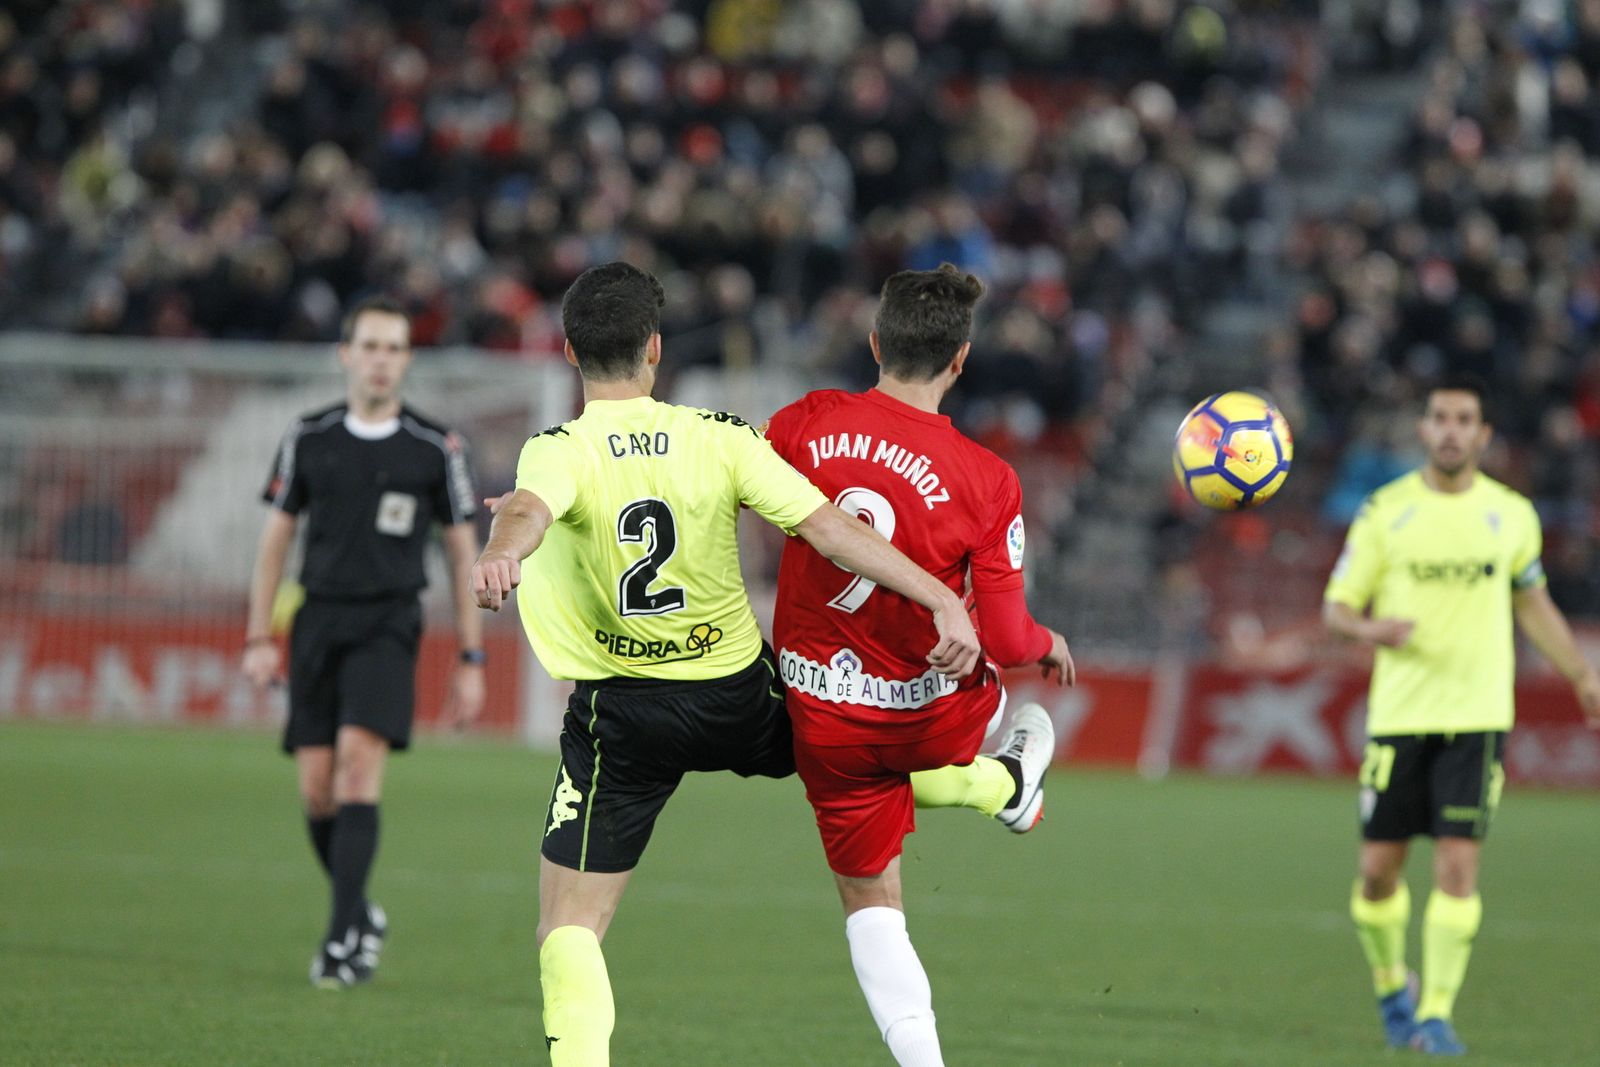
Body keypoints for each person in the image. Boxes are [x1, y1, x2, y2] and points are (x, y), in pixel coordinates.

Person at [468, 262, 981, 1067]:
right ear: (655, 348)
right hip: (738, 694)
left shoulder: (556, 450)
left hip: (624, 716)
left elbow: (529, 511)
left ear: (569, 352)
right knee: (853, 751)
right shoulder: (721, 435)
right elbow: (830, 530)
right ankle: (997, 784)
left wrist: (502, 550)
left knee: (568, 928)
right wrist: (941, 596)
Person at [763, 264, 1074, 1067]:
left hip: (821, 712)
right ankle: (1007, 780)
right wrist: (1048, 643)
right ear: (960, 360)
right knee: (980, 689)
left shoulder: (802, 423)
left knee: (873, 905)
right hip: (927, 714)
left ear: (875, 342)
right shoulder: (988, 478)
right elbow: (1008, 637)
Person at [1323, 374, 1600, 1055]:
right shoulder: (1385, 511)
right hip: (1399, 715)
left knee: (1456, 866)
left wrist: (1580, 672)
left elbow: (1532, 601)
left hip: (1478, 715)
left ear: (1483, 434)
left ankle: (1436, 1014)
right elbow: (1336, 608)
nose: (1451, 430)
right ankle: (1392, 986)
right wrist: (1369, 628)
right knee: (1377, 872)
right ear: (1424, 429)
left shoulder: (1511, 514)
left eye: (1464, 419)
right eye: (1440, 417)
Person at [242, 295, 487, 989]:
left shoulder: (435, 446)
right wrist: (259, 636)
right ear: (345, 354)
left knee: (356, 766)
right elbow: (275, 542)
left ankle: (340, 940)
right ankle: (362, 913)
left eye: (395, 348)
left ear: (408, 359)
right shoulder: (308, 436)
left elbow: (461, 553)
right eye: (371, 346)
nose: (382, 360)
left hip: (388, 623)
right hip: (317, 620)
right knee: (317, 791)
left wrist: (472, 658)